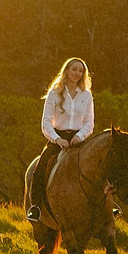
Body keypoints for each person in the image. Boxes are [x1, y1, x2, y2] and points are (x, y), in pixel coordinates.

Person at [28, 58, 96, 227]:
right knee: (41, 166)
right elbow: (45, 122)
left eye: (81, 71)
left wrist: (79, 137)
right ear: (67, 71)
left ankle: (107, 206)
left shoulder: (86, 95)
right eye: (74, 69)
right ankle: (35, 207)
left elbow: (89, 122)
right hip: (57, 137)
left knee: (97, 165)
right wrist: (57, 139)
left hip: (78, 139)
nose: (77, 73)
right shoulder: (54, 93)